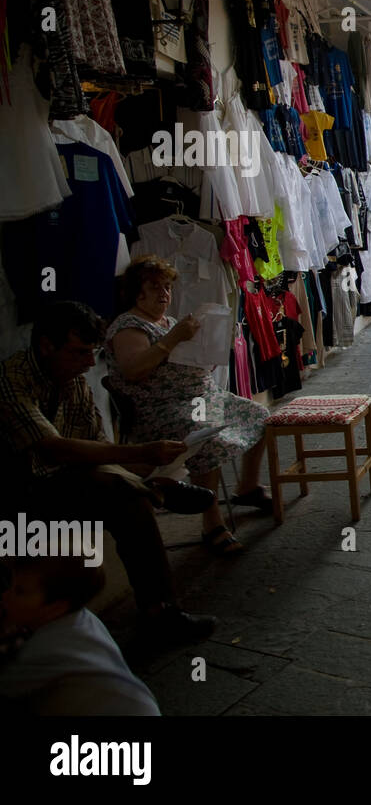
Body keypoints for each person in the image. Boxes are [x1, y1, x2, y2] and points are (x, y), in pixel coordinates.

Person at [0, 301, 215, 645]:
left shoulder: (73, 382)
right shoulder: (12, 381)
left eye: (93, 352)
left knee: (125, 498)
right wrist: (140, 452)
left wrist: (131, 465)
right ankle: (155, 492)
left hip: (65, 481)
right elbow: (53, 448)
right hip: (18, 491)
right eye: (80, 352)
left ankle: (158, 609)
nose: (89, 363)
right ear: (45, 346)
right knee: (110, 486)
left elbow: (95, 444)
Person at [105, 256, 273, 556]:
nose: (164, 294)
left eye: (167, 287)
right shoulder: (128, 326)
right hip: (161, 409)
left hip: (200, 398)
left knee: (259, 414)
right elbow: (133, 370)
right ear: (136, 292)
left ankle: (247, 487)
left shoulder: (168, 322)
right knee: (205, 434)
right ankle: (212, 524)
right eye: (155, 287)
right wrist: (173, 340)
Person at [0, 555, 161, 715]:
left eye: (19, 591)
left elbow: (7, 685)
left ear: (57, 607)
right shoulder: (84, 618)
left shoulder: (42, 651)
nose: (5, 596)